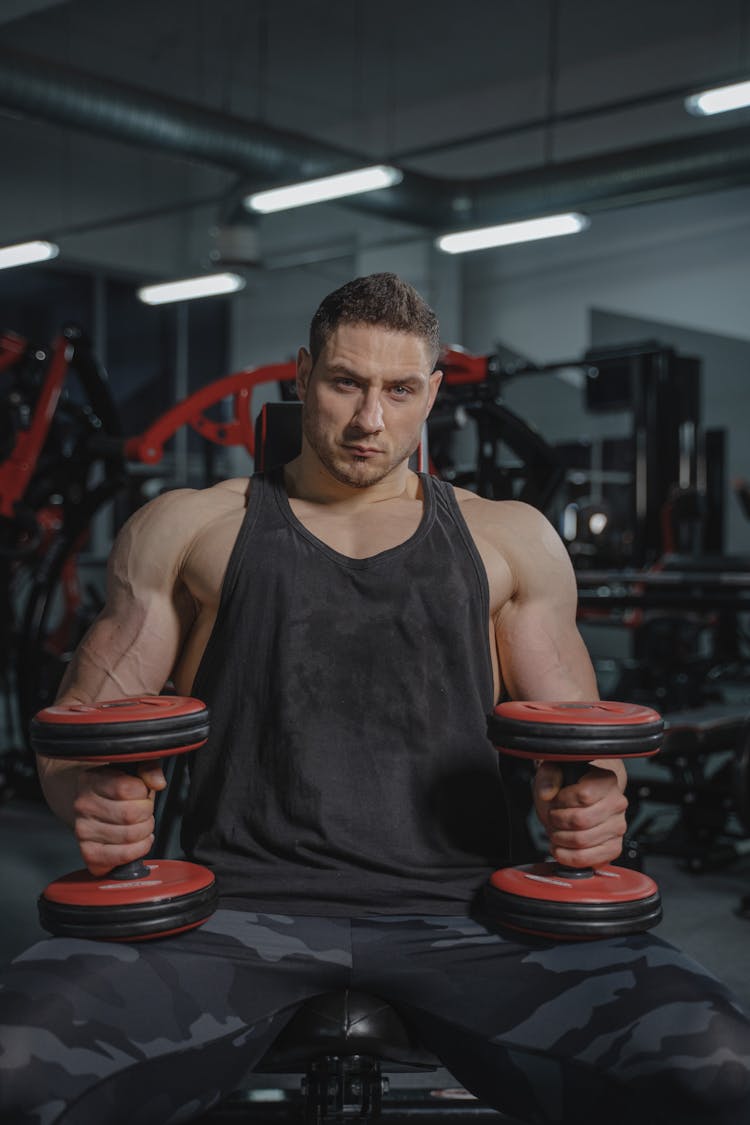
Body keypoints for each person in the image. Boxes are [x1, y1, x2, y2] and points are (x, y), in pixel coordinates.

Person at [1, 273, 748, 1125]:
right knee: (12, 1067)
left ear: (432, 393)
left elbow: (579, 735)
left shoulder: (509, 538)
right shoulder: (190, 526)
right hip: (233, 917)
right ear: (301, 374)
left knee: (721, 1066)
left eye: (398, 390)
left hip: (474, 924)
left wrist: (594, 799)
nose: (369, 419)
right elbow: (78, 728)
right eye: (346, 383)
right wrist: (84, 797)